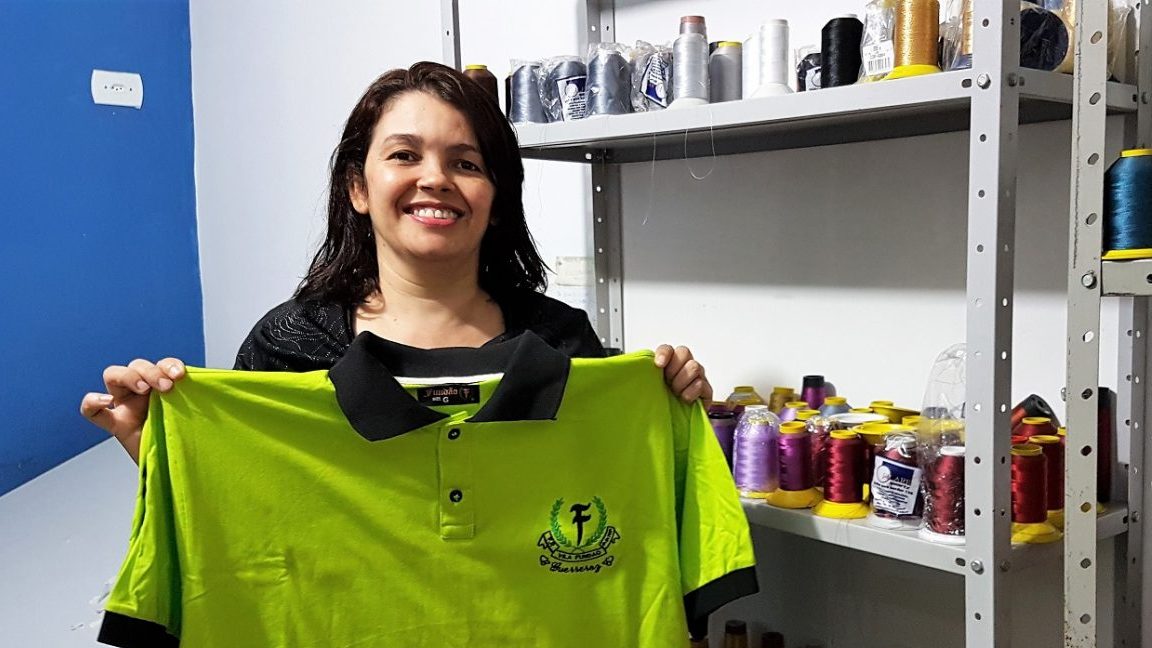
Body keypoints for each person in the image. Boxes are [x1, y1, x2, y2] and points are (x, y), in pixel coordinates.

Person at [82, 61, 711, 458]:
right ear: (358, 188)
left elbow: (610, 494)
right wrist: (158, 452)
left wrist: (675, 418)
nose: (435, 179)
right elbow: (241, 523)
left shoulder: (560, 340)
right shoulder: (289, 347)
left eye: (466, 163)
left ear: (495, 199)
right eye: (404, 155)